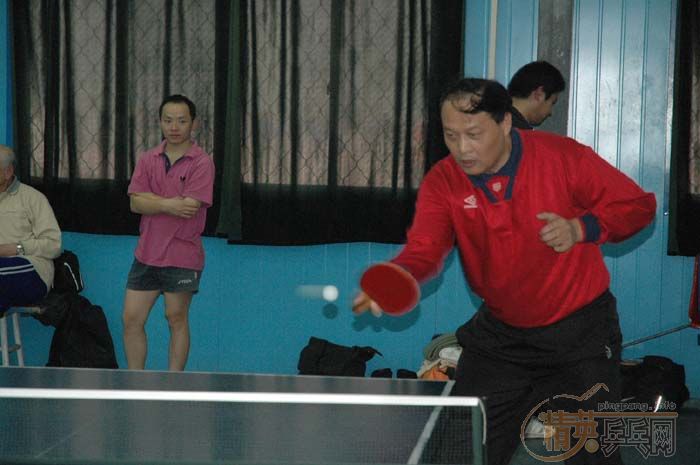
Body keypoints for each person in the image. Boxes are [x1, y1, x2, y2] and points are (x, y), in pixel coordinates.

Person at [353, 78, 656, 465]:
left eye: (474, 134)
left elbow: (637, 206)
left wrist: (582, 228)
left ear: (505, 123)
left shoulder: (563, 158)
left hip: (579, 335)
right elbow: (426, 248)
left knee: (593, 455)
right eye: (451, 135)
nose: (462, 148)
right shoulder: (444, 181)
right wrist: (398, 276)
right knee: (462, 451)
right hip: (501, 339)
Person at [123, 95, 215, 371]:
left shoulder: (202, 162)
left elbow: (189, 207)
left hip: (182, 255)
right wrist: (167, 204)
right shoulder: (147, 159)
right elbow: (135, 203)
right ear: (160, 122)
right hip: (146, 253)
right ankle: (135, 383)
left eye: (182, 121)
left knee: (175, 317)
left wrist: (151, 200)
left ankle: (173, 384)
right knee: (131, 319)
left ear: (194, 124)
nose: (174, 127)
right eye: (168, 120)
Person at [0, 145, 62, 310]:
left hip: (33, 270)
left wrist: (16, 248)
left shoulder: (32, 198)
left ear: (8, 172)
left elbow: (54, 245)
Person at [507, 60, 565, 129]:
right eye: (552, 102)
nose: (550, 112)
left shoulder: (498, 120)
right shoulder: (514, 132)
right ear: (539, 94)